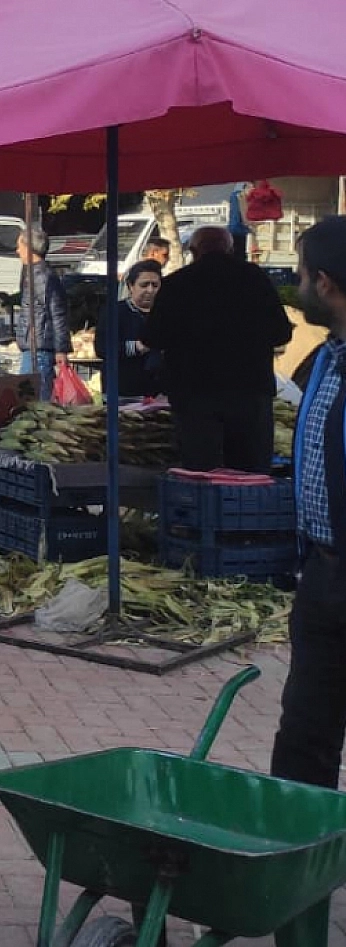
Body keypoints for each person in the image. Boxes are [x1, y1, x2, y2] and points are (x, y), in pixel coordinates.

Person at [269, 217, 346, 947]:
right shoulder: (326, 356)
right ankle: (296, 887)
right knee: (304, 739)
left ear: (325, 283)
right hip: (323, 577)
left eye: (298, 277)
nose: (294, 291)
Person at [142, 226, 292, 472]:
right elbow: (281, 333)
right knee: (249, 476)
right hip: (249, 393)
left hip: (194, 395)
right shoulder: (254, 279)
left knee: (201, 474)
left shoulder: (176, 284)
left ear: (193, 250)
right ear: (230, 249)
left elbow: (153, 337)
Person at [14, 224, 71, 402]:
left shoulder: (42, 276)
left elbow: (58, 312)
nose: (17, 251)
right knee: (28, 402)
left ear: (29, 248)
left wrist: (61, 349)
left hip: (39, 349)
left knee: (36, 403)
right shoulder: (32, 272)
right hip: (32, 346)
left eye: (20, 246)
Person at [96, 260, 164, 399]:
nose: (150, 290)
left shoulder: (167, 313)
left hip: (159, 393)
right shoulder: (114, 312)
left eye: (155, 285)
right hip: (122, 391)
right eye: (144, 285)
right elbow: (102, 348)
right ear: (130, 286)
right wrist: (136, 347)